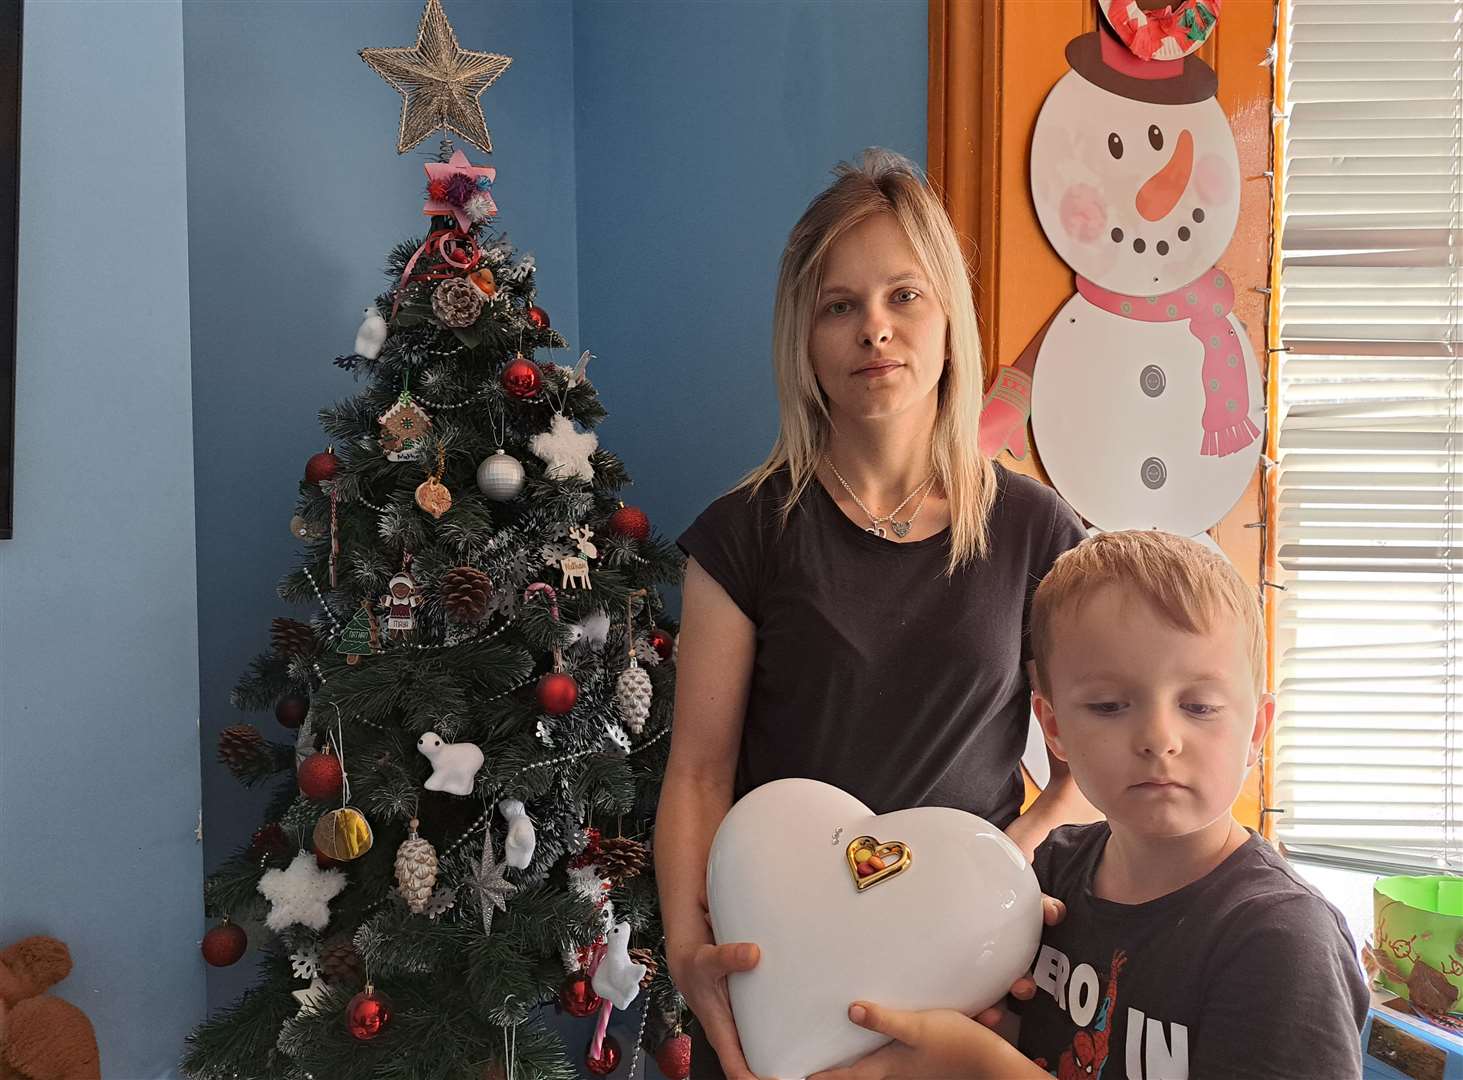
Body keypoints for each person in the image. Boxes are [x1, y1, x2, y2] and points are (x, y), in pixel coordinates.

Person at [655, 148, 1095, 1080]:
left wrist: (995, 873)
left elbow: (1088, 769)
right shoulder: (743, 536)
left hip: (974, 990)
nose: (875, 331)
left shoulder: (1037, 530)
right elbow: (697, 775)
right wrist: (691, 952)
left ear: (948, 323)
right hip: (788, 981)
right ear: (804, 339)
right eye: (839, 305)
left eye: (904, 296)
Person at [811, 530, 1369, 1080]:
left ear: (1257, 731)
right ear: (1054, 730)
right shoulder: (1045, 879)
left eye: (1199, 706)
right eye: (1107, 706)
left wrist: (983, 1067)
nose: (1159, 737)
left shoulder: (1283, 943)